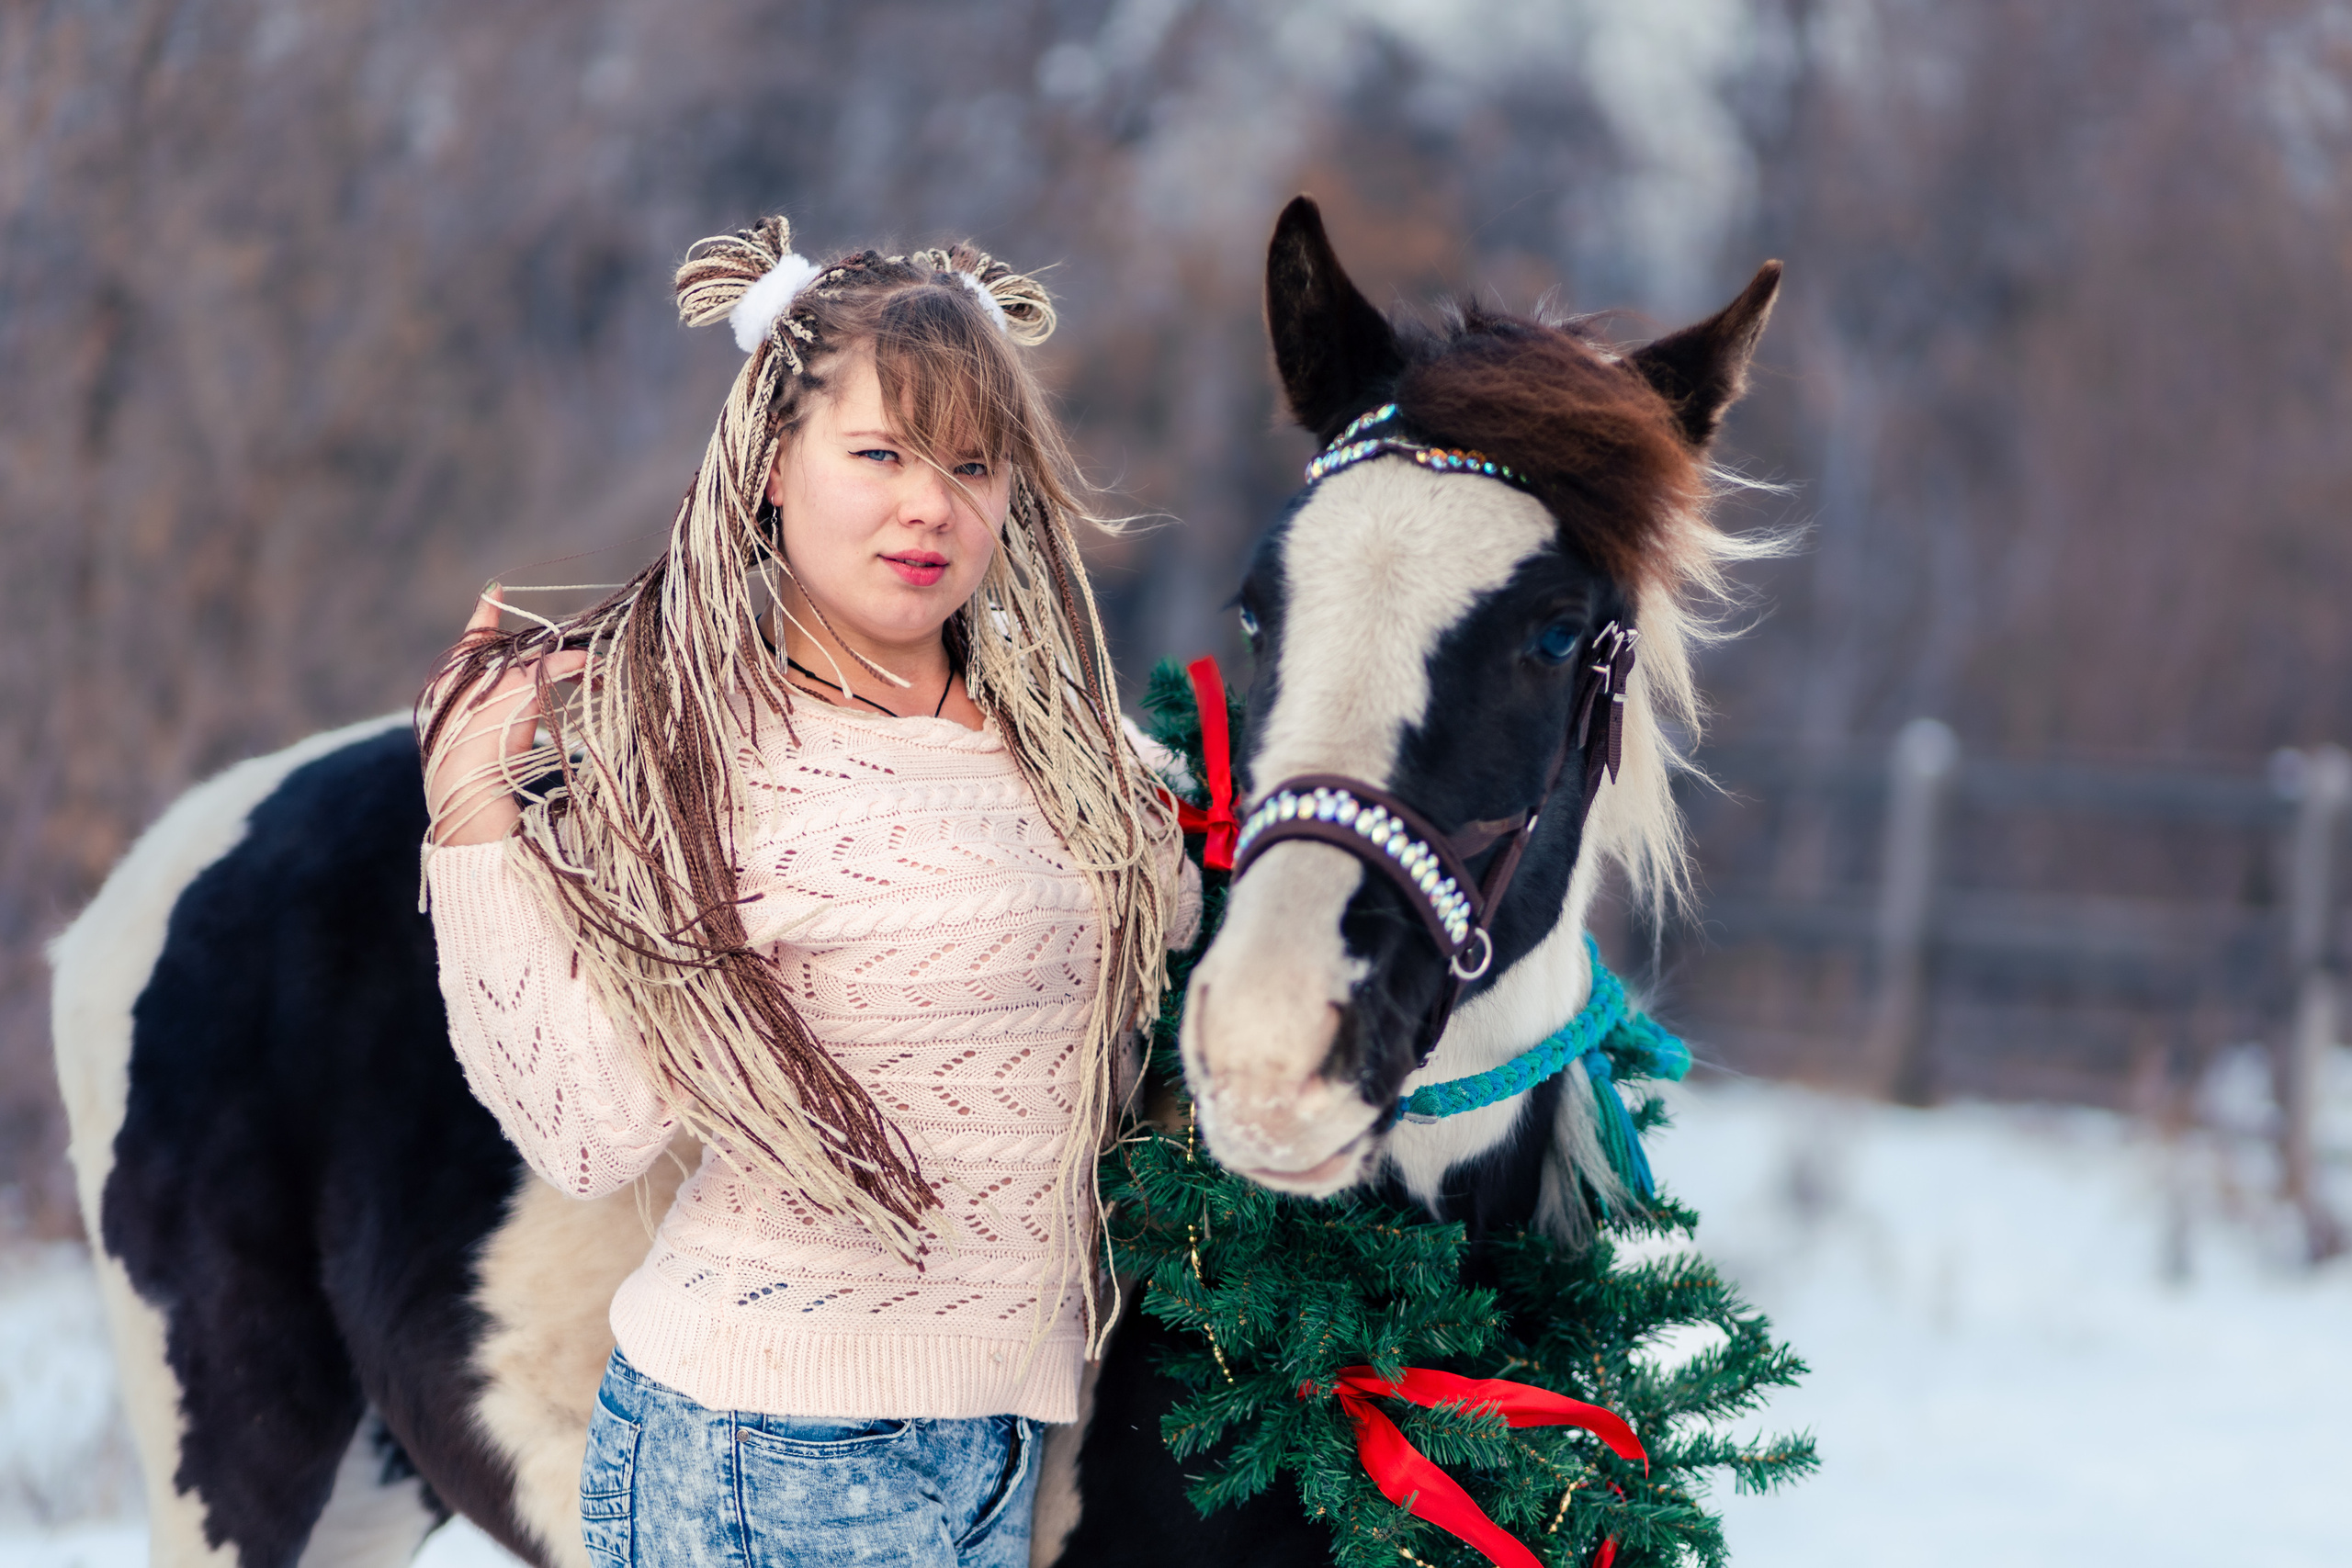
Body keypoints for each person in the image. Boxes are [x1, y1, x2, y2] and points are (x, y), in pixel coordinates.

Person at [418, 214, 1198, 1568]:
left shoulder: (1070, 757)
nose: (930, 505)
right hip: (765, 1450)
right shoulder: (707, 766)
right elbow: (589, 1133)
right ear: (773, 465)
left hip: (993, 1440)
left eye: (972, 462)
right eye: (881, 453)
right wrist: (473, 815)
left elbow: (1182, 936)